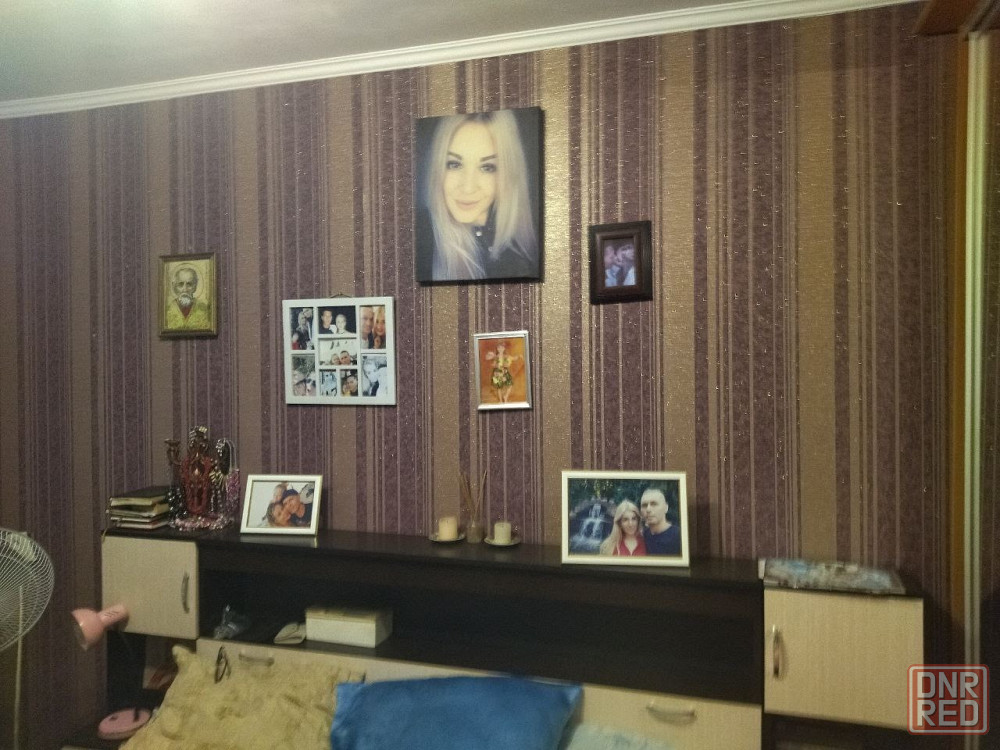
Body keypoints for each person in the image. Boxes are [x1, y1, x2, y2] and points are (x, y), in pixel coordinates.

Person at [417, 109, 538, 281]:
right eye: (454, 164)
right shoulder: (420, 238)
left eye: (487, 167)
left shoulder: (521, 253)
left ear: (508, 175)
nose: (468, 188)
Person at [165, 265, 211, 330]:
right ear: (174, 286)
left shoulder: (205, 309)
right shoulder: (166, 310)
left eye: (189, 284)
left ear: (195, 286)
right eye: (180, 284)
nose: (185, 289)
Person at [640, 487, 681, 555]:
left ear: (666, 508)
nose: (648, 509)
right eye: (644, 505)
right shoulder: (643, 536)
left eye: (654, 504)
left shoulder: (679, 537)